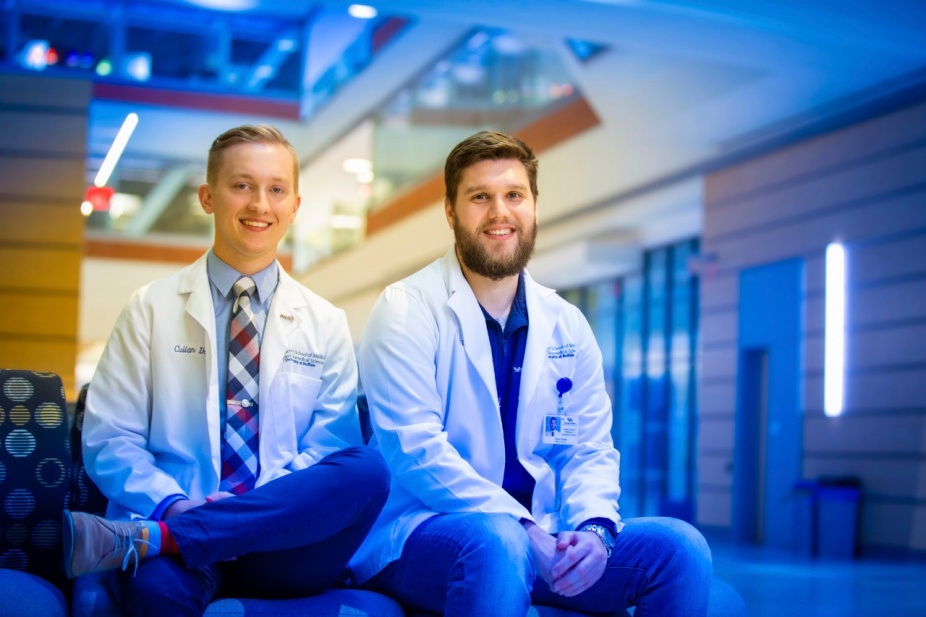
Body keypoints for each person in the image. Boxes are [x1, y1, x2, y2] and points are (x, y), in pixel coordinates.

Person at [352, 130, 744, 616]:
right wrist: (520, 528)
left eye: (514, 195)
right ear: (451, 212)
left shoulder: (566, 323)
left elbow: (588, 448)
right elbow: (415, 450)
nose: (500, 212)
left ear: (534, 206)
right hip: (425, 532)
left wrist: (595, 531)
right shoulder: (406, 309)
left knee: (679, 548)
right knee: (496, 542)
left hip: (540, 533)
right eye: (480, 197)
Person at [62, 124, 389, 617]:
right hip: (176, 515)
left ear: (294, 205)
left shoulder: (325, 322)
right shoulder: (149, 308)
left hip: (283, 545)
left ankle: (175, 538)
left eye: (276, 189)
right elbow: (110, 439)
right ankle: (183, 531)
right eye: (242, 185)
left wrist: (252, 513)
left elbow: (330, 449)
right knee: (156, 596)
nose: (260, 204)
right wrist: (172, 504)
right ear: (208, 197)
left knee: (367, 468)